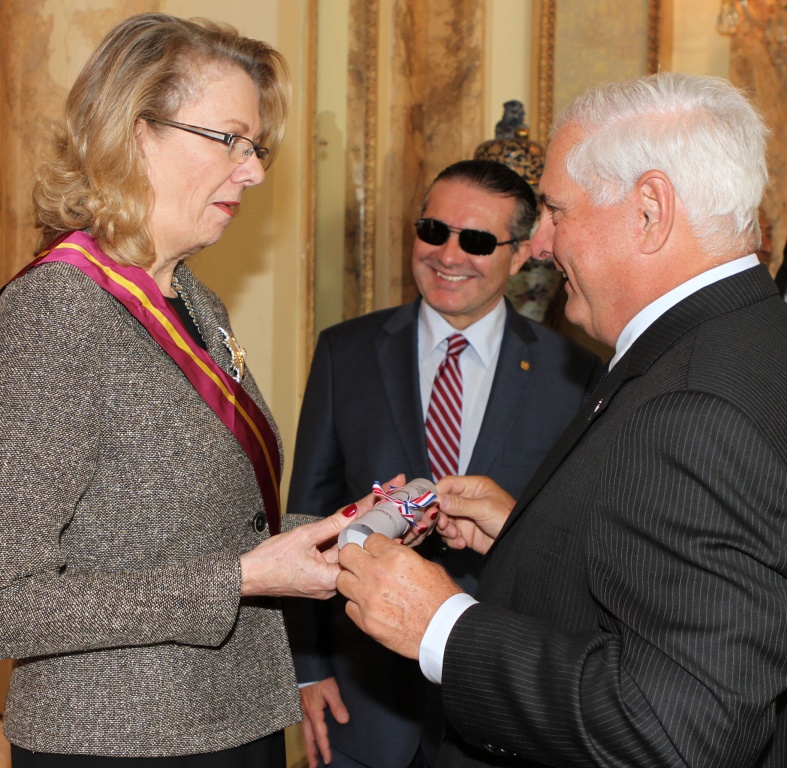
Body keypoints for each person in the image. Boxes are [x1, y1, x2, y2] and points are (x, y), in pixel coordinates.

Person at [335, 72, 787, 768]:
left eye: (556, 210)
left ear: (649, 211)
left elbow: (680, 730)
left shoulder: (693, 405)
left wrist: (442, 626)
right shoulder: (742, 338)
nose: (540, 245)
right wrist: (529, 533)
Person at [0, 13, 368, 767]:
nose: (253, 171)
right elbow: (12, 600)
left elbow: (202, 525)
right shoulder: (56, 313)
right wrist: (240, 579)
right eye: (230, 139)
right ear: (137, 133)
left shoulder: (195, 299)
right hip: (118, 742)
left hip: (234, 719)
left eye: (256, 147)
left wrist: (345, 530)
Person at [286, 159, 601, 768]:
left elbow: (576, 538)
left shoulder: (574, 373)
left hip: (499, 706)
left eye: (477, 240)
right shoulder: (345, 351)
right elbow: (309, 514)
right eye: (434, 231)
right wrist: (308, 669)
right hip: (363, 701)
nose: (448, 254)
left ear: (520, 255)